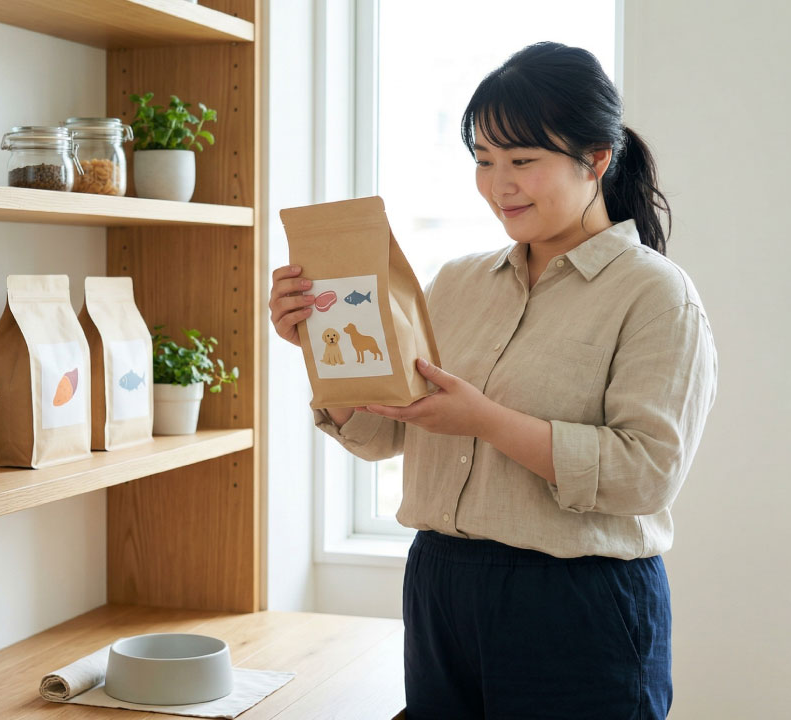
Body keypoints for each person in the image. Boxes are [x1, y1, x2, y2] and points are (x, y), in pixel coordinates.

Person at [268, 42, 718, 718]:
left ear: (597, 158)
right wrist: (317, 346)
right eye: (483, 160)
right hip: (439, 589)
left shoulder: (655, 295)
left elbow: (646, 476)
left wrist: (485, 420)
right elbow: (383, 434)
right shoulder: (456, 283)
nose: (498, 184)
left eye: (522, 161)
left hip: (578, 603)